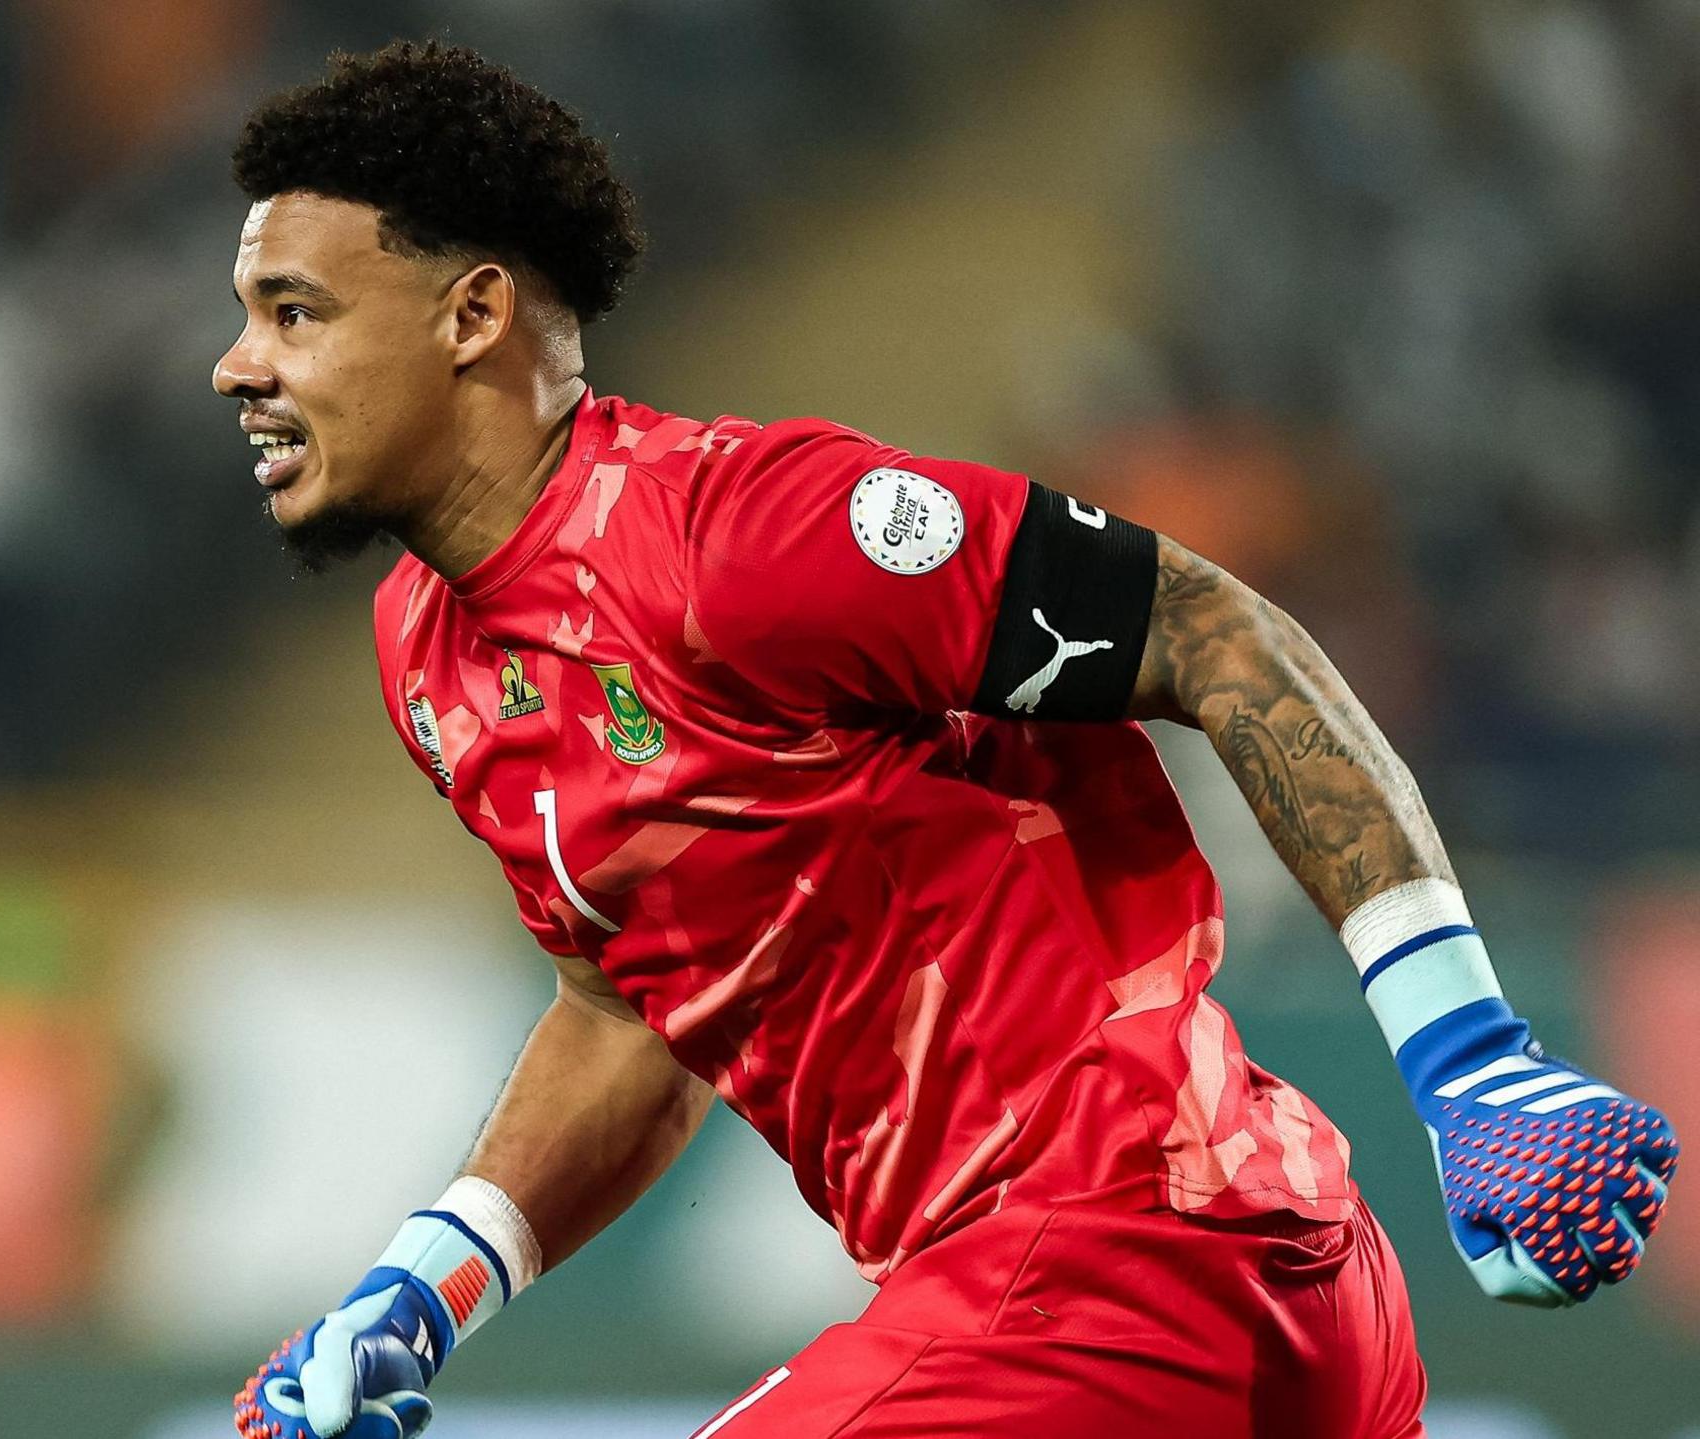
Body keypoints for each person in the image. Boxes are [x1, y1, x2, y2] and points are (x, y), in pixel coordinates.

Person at [212, 41, 1676, 1439]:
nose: (236, 366)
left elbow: (1219, 632)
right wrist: (427, 1283)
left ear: (472, 317)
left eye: (294, 312)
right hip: (1128, 1300)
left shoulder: (743, 538)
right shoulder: (431, 653)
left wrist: (1468, 1053)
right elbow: (632, 1009)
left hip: (1136, 1248)